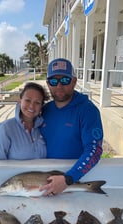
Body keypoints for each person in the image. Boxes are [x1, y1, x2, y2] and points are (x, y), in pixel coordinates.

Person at [39, 58, 103, 196]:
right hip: (45, 182)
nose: (59, 86)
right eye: (54, 81)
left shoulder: (88, 110)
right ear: (48, 84)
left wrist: (68, 179)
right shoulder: (45, 110)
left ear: (74, 81)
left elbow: (94, 150)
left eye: (65, 80)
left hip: (73, 182)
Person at [0, 82, 48, 160]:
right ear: (20, 101)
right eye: (28, 100)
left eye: (37, 103)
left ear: (41, 106)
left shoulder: (42, 128)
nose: (31, 106)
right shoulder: (5, 129)